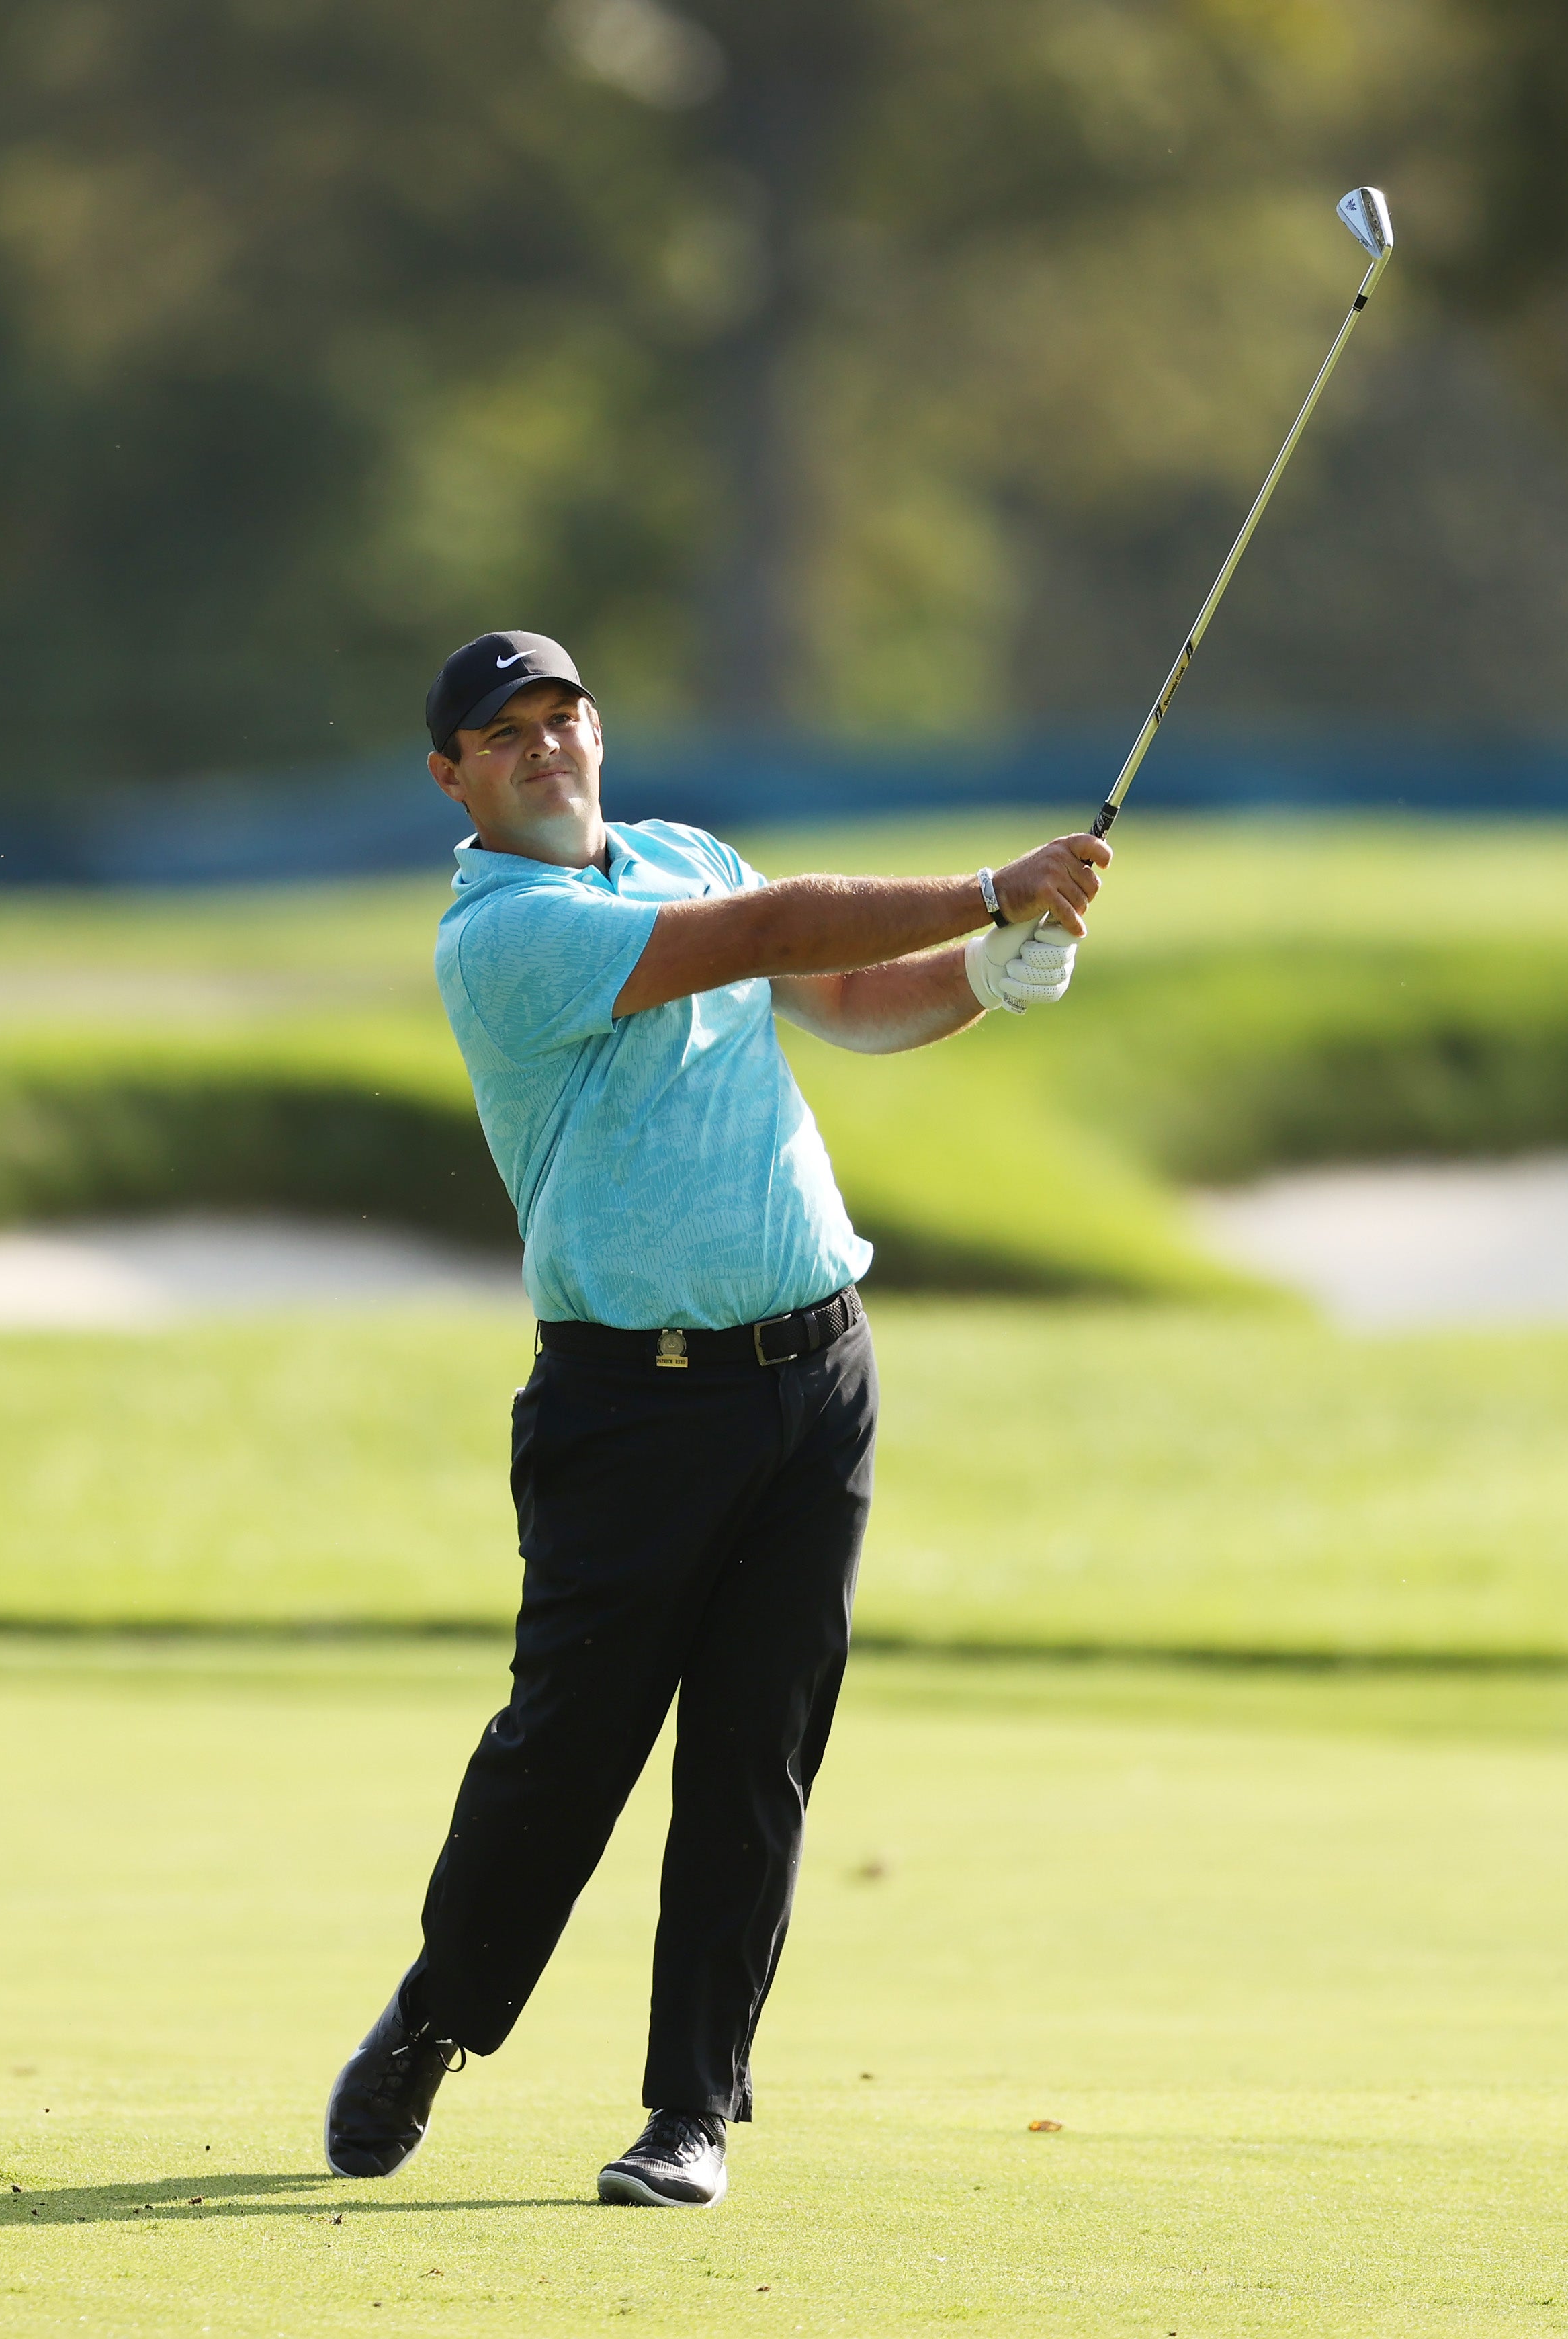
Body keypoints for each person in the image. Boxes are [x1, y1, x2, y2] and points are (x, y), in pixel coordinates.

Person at [322, 630, 1105, 2209]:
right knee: (566, 1756)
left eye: (563, 715)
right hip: (630, 1405)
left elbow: (839, 993)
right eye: (505, 730)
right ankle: (438, 2015)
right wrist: (985, 891)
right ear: (451, 775)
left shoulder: (677, 848)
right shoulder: (505, 934)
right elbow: (763, 929)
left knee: (756, 1757)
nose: (545, 744)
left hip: (816, 1379)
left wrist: (973, 977)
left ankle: (690, 2113)